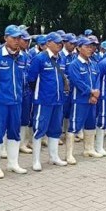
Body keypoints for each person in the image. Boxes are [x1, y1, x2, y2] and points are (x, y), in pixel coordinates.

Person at [0, 25, 27, 178]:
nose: (17, 41)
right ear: (5, 38)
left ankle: (13, 163)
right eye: (14, 38)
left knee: (14, 132)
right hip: (0, 102)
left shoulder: (22, 57)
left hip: (16, 101)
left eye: (19, 38)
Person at [28, 32, 68, 171]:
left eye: (60, 42)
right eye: (57, 42)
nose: (59, 45)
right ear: (48, 42)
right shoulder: (39, 59)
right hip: (43, 100)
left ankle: (54, 157)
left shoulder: (61, 59)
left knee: (56, 130)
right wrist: (40, 94)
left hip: (58, 100)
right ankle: (36, 160)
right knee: (39, 130)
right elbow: (31, 79)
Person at [66, 37, 101, 164]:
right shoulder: (74, 64)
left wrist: (96, 94)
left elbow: (97, 79)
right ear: (79, 48)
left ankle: (89, 149)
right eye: (86, 46)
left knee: (91, 124)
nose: (90, 49)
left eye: (91, 46)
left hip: (92, 100)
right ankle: (69, 154)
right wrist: (91, 92)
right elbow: (77, 81)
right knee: (74, 125)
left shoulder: (93, 63)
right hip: (79, 100)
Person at [18, 29, 33, 154]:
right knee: (10, 120)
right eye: (25, 40)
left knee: (25, 118)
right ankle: (5, 147)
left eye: (28, 40)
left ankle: (22, 143)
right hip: (14, 91)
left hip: (26, 91)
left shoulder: (28, 55)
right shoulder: (13, 55)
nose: (27, 42)